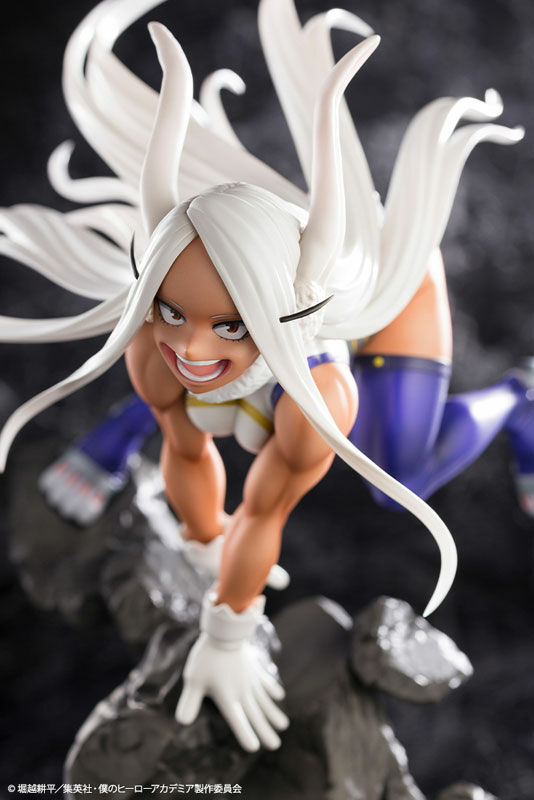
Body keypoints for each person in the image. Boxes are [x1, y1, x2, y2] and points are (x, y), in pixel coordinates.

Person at [0, 0, 525, 750]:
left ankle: (518, 398)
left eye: (226, 326)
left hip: (386, 292)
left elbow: (264, 511)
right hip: (278, 275)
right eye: (169, 310)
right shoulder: (156, 346)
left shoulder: (317, 399)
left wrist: (227, 633)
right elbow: (186, 449)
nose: (189, 345)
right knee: (180, 380)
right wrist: (203, 541)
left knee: (395, 477)